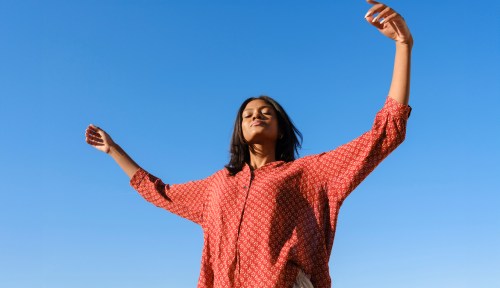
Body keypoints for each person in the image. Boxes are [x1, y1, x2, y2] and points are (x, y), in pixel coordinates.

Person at [85, 1, 413, 287]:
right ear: (239, 131)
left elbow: (385, 135)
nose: (256, 116)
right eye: (248, 115)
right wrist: (114, 150)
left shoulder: (308, 174)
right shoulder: (216, 186)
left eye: (265, 112)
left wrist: (403, 45)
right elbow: (159, 192)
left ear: (281, 129)